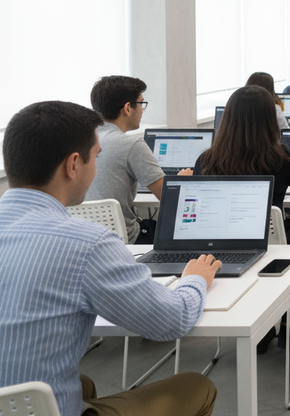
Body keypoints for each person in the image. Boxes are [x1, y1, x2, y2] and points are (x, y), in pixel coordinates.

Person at [0, 100, 220, 416]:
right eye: (97, 158)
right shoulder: (85, 243)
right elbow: (169, 321)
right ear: (73, 165)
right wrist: (196, 279)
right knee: (197, 387)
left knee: (84, 382)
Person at [193, 85, 290, 353]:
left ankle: (262, 327)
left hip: (219, 248)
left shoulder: (206, 160)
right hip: (272, 245)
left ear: (228, 119)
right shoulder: (280, 157)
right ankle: (288, 325)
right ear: (270, 119)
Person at [86, 75, 165, 244]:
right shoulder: (131, 143)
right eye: (141, 103)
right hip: (126, 239)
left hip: (85, 237)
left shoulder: (79, 140)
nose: (143, 110)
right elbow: (166, 196)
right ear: (128, 108)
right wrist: (181, 180)